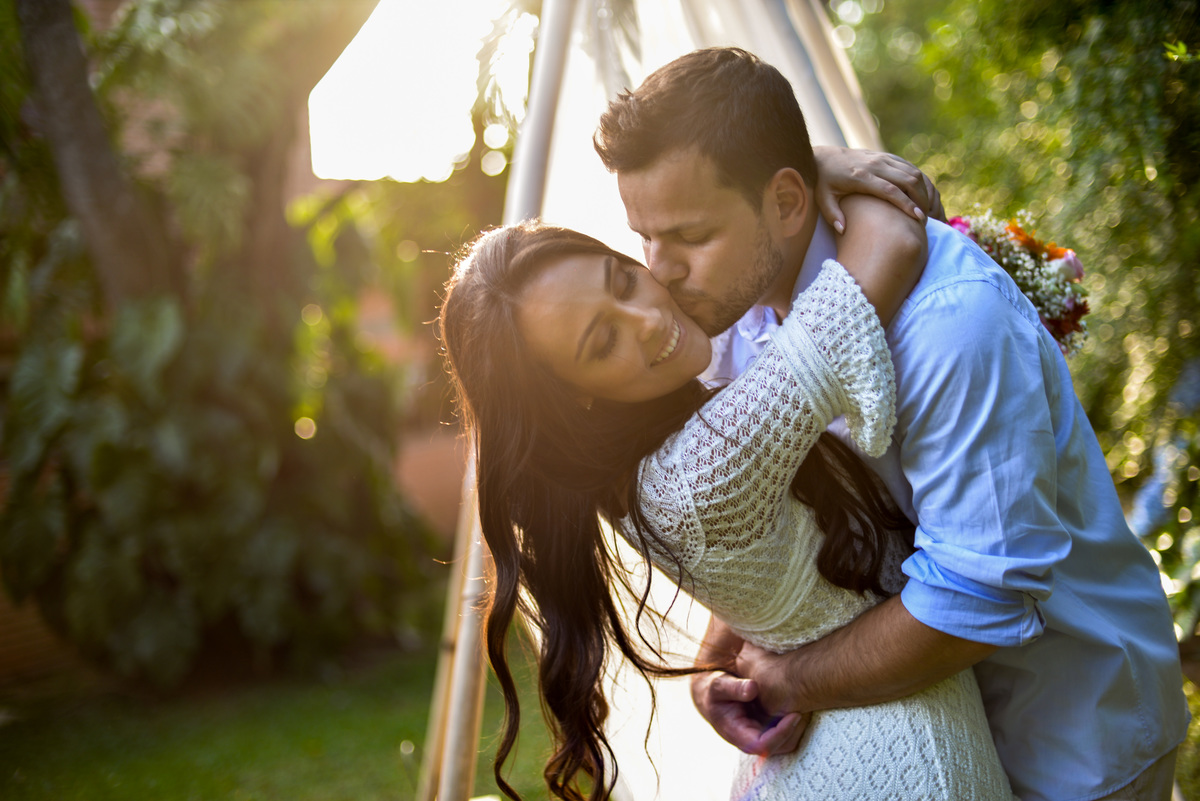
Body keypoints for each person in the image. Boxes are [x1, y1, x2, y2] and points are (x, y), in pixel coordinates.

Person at [593, 46, 1189, 801]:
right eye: (645, 236)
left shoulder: (950, 324)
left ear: (785, 203)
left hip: (1071, 732)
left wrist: (788, 678)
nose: (660, 270)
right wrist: (719, 661)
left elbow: (979, 598)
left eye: (688, 236)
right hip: (920, 723)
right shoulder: (725, 317)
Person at [439, 187, 1016, 800]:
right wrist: (825, 168)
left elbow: (779, 558)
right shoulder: (708, 467)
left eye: (624, 280)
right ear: (572, 398)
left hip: (826, 752)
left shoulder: (647, 462)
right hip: (903, 764)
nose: (649, 319)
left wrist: (712, 665)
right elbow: (891, 238)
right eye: (603, 341)